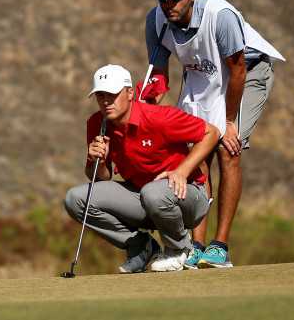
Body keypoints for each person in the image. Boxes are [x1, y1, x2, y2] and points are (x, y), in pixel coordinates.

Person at [145, 0, 284, 269]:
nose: (167, 5)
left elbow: (237, 71)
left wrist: (230, 123)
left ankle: (220, 247)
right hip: (202, 75)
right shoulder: (156, 21)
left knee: (226, 148)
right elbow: (160, 75)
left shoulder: (221, 17)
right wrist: (152, 110)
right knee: (197, 152)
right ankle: (195, 245)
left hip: (246, 74)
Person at [63, 64, 220, 273]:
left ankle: (180, 249)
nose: (106, 101)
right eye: (100, 95)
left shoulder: (158, 117)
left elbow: (211, 133)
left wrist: (182, 171)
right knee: (75, 199)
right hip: (143, 197)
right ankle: (140, 246)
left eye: (112, 94)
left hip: (187, 198)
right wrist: (95, 161)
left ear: (129, 93)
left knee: (153, 193)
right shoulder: (97, 123)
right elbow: (102, 178)